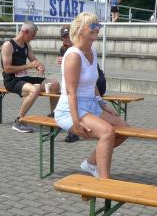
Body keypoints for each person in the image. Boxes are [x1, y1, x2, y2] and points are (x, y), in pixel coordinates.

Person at [54, 12, 128, 179]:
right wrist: (76, 123)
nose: (97, 28)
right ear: (79, 29)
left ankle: (91, 163)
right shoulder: (74, 55)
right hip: (70, 109)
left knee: (125, 129)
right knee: (107, 132)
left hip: (91, 105)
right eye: (92, 25)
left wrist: (102, 103)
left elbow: (92, 83)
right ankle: (104, 181)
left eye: (98, 25)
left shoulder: (92, 51)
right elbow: (71, 92)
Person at [1, 21, 58, 132]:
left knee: (54, 84)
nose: (33, 38)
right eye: (32, 35)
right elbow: (7, 68)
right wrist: (28, 66)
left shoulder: (26, 45)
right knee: (34, 90)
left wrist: (39, 66)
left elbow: (34, 61)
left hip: (24, 78)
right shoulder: (8, 45)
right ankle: (19, 121)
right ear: (25, 32)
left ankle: (53, 117)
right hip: (11, 80)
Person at [56, 26, 79, 143]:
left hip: (94, 82)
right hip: (76, 81)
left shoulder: (78, 48)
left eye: (68, 36)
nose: (67, 39)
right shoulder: (63, 49)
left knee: (72, 97)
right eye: (64, 37)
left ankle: (74, 131)